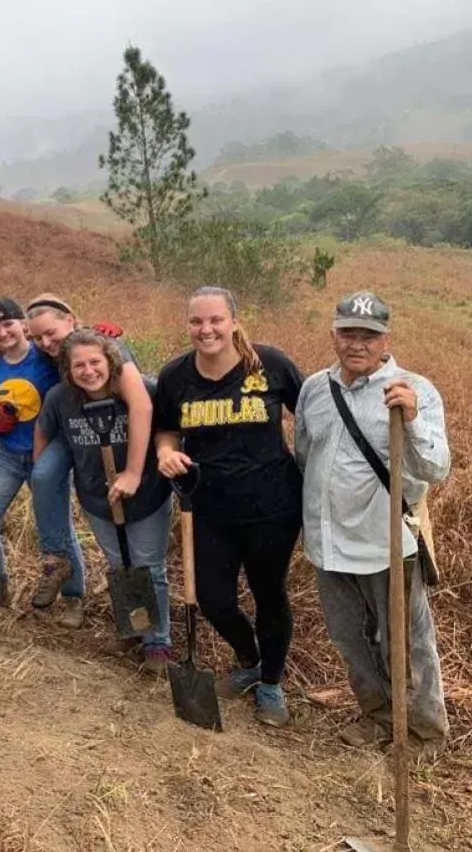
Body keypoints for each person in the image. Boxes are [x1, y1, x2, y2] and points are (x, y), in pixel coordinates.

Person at [294, 291, 450, 756]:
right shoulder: (314, 389)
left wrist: (413, 419)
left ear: (386, 339)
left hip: (386, 542)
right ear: (334, 336)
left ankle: (422, 734)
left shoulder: (413, 389)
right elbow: (305, 453)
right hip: (328, 542)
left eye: (369, 335)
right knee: (350, 640)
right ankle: (378, 717)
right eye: (348, 333)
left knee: (407, 644)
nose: (357, 344)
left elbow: (436, 469)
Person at [154, 285, 305, 728]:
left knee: (269, 595)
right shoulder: (176, 376)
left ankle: (272, 684)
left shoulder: (271, 365)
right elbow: (166, 430)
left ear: (234, 321)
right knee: (215, 600)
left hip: (273, 507)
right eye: (197, 321)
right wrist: (165, 453)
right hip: (206, 507)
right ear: (187, 325)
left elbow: (315, 415)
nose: (207, 330)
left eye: (216, 320)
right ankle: (251, 661)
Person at [0, 294, 151, 627]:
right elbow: (9, 346)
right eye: (39, 337)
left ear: (71, 320)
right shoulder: (41, 350)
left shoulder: (99, 348)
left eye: (50, 333)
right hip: (61, 431)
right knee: (43, 478)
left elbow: (141, 400)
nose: (47, 342)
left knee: (120, 544)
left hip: (99, 435)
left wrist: (135, 470)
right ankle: (50, 562)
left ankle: (105, 610)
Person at [38, 329, 173, 670]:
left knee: (148, 567)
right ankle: (133, 628)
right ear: (67, 370)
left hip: (147, 497)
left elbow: (168, 431)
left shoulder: (145, 390)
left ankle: (157, 642)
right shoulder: (60, 399)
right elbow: (45, 437)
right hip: (97, 498)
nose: (88, 371)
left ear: (110, 361)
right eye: (78, 365)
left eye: (95, 361)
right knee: (119, 565)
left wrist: (135, 473)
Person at [0, 298, 62, 604]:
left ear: (23, 325)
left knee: (57, 531)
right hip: (4, 454)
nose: (3, 332)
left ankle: (73, 597)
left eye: (9, 324)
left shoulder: (46, 357)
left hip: (44, 454)